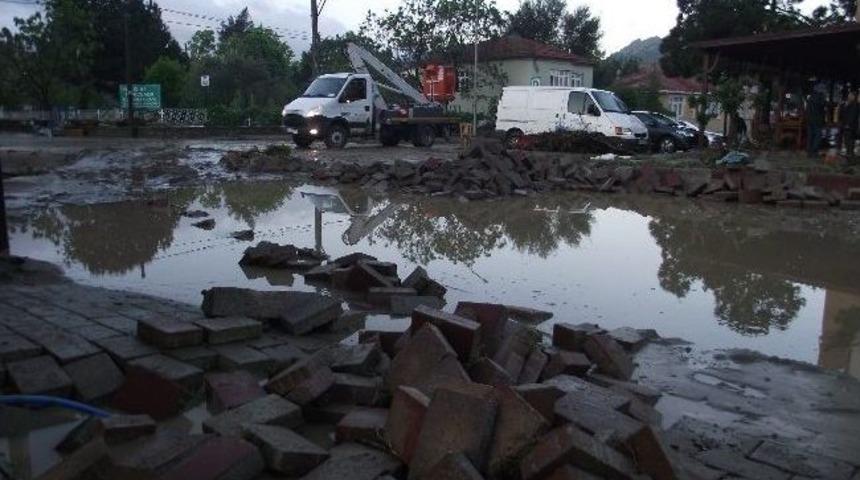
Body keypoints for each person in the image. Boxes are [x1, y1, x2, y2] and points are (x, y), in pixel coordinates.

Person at [806, 89, 826, 158]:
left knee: (810, 136)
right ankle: (814, 152)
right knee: (817, 136)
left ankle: (809, 152)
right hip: (817, 120)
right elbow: (822, 107)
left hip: (810, 120)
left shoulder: (810, 99)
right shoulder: (820, 98)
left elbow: (807, 110)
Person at [840, 90, 859, 163]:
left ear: (853, 97)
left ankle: (850, 160)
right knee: (848, 143)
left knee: (850, 144)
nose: (849, 97)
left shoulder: (854, 105)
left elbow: (852, 116)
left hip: (850, 127)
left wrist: (848, 124)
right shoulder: (849, 104)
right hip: (848, 126)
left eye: (850, 95)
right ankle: (850, 159)